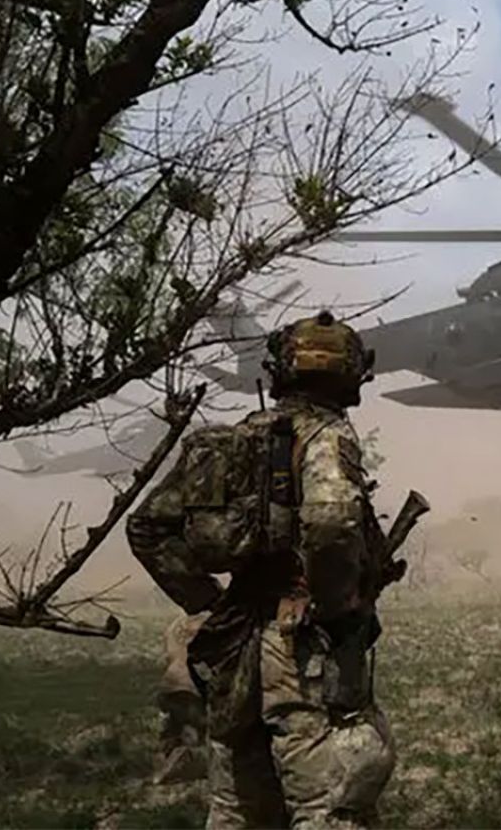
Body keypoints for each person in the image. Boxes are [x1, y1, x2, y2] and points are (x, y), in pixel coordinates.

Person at [127, 310, 400, 828]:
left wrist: (209, 603)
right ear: (350, 375)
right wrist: (334, 608)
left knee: (238, 810)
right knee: (332, 805)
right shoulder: (327, 436)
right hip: (301, 653)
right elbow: (330, 521)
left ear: (279, 372)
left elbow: (147, 528)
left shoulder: (231, 441)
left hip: (233, 645)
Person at [153, 611, 210, 785]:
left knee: (172, 727)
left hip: (169, 684)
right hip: (193, 686)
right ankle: (194, 762)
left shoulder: (176, 625)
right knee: (208, 727)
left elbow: (167, 657)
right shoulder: (213, 621)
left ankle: (164, 768)